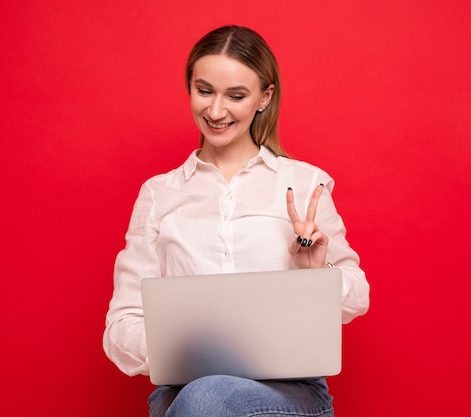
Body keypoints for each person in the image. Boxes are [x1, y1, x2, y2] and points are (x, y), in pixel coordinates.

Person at [103, 25, 370, 417]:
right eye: (204, 90)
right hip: (184, 393)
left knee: (206, 400)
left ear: (265, 97)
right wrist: (183, 347)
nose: (214, 111)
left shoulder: (305, 183)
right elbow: (121, 326)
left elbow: (357, 297)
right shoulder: (159, 195)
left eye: (236, 96)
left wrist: (316, 272)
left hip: (288, 395)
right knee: (202, 396)